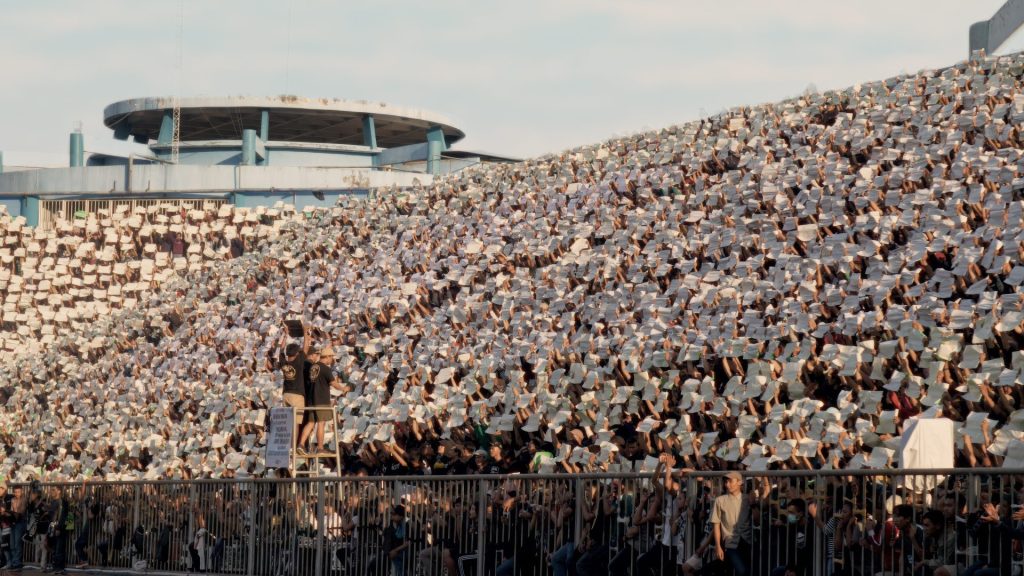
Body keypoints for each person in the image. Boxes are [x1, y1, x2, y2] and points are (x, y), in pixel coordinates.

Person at [298, 347, 345, 456]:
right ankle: (320, 448)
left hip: (311, 400)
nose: (332, 359)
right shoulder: (325, 368)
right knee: (321, 423)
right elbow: (334, 383)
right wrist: (344, 388)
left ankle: (301, 444)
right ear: (327, 356)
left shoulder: (313, 367)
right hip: (321, 400)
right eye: (331, 357)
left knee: (310, 423)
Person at [712, 471, 751, 576]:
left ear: (740, 482)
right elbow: (716, 524)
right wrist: (718, 546)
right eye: (726, 482)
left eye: (730, 481)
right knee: (741, 571)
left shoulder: (747, 499)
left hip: (747, 541)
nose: (727, 484)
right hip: (730, 543)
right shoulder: (720, 500)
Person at [383, 504, 410, 576]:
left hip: (401, 552)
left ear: (401, 516)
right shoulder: (392, 524)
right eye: (392, 514)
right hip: (392, 552)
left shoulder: (405, 526)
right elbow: (385, 535)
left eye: (395, 514)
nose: (392, 516)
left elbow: (407, 543)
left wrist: (395, 550)